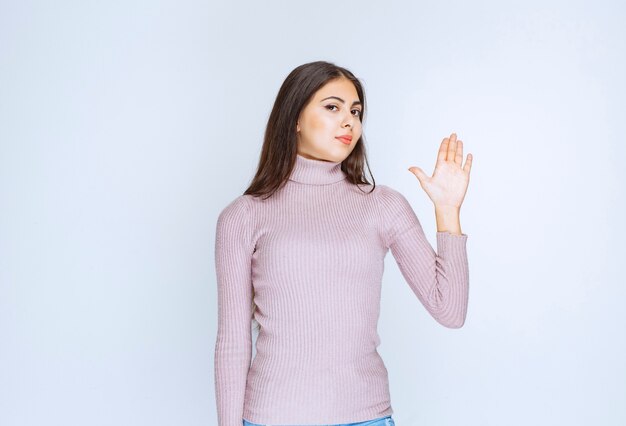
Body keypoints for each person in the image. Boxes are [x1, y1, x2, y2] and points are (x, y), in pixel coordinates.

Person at [214, 60, 472, 426]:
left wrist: (447, 210)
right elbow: (233, 343)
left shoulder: (382, 205)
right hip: (272, 418)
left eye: (355, 111)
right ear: (295, 118)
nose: (349, 121)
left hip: (366, 418)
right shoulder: (243, 216)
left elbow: (450, 311)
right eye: (332, 107)